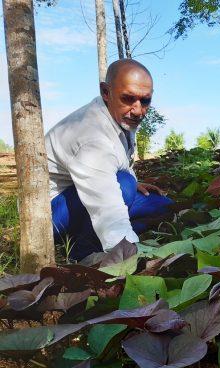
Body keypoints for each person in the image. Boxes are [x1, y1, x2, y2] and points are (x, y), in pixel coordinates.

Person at [45, 59, 172, 261]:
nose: (138, 110)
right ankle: (83, 254)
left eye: (145, 101)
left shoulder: (119, 117)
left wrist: (133, 183)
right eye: (128, 98)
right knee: (124, 185)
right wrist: (128, 257)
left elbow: (113, 165)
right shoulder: (90, 136)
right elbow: (107, 207)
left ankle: (86, 235)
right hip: (50, 214)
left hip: (85, 195)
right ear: (106, 92)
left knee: (163, 206)